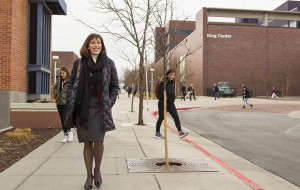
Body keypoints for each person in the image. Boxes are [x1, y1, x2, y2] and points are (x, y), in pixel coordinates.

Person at [64, 33, 119, 190]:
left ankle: (97, 170)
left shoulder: (109, 63)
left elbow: (114, 85)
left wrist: (110, 101)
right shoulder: (79, 63)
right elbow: (71, 83)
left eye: (99, 42)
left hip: (100, 108)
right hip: (83, 107)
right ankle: (89, 175)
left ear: (102, 46)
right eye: (93, 43)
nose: (96, 45)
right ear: (87, 46)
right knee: (87, 142)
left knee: (99, 141)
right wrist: (71, 98)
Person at [155, 69, 188, 139]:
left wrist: (173, 98)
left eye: (173, 74)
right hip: (163, 103)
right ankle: (157, 132)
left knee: (176, 117)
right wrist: (164, 97)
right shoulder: (163, 82)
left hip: (171, 104)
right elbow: (159, 93)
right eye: (171, 74)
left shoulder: (172, 83)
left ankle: (180, 132)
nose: (173, 76)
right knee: (161, 118)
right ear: (167, 75)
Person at [53, 67, 73, 143]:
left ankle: (69, 131)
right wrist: (56, 94)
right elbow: (54, 88)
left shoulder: (70, 81)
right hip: (59, 102)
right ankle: (65, 134)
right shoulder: (59, 80)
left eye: (63, 73)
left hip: (66, 103)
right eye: (61, 73)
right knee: (61, 119)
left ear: (67, 73)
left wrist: (67, 97)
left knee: (65, 117)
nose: (62, 75)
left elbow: (73, 90)